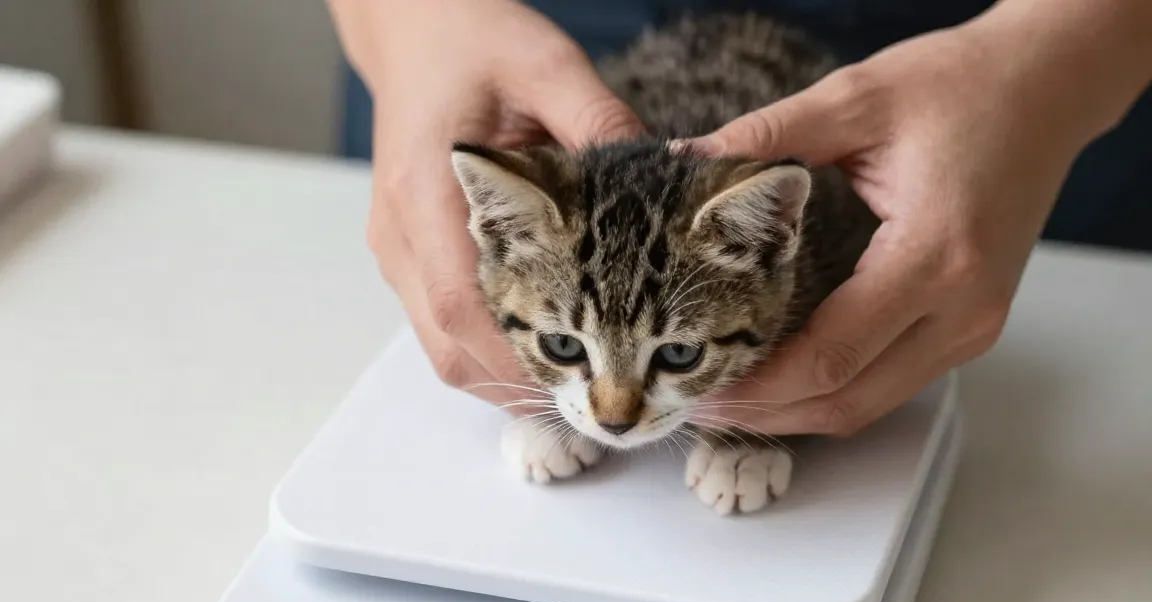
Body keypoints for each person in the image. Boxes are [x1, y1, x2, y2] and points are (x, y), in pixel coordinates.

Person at [325, 0, 1152, 437]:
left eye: (675, 353)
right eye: (567, 347)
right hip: (499, 33)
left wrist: (1067, 61)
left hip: (989, 43)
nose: (614, 414)